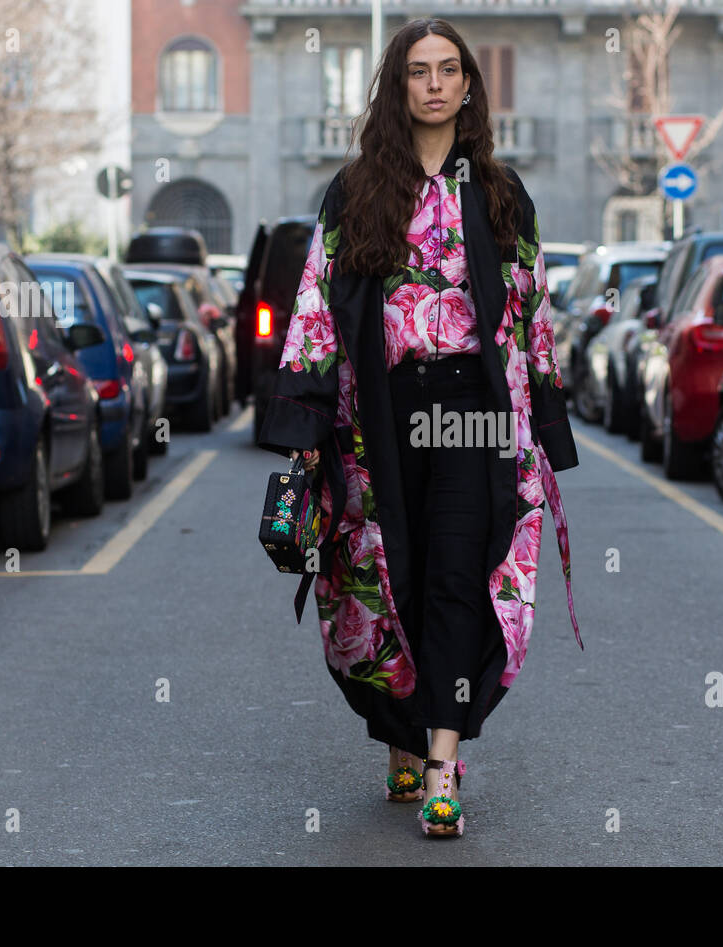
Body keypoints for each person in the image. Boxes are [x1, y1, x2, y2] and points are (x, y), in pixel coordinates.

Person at [256, 17, 582, 839]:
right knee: (381, 573)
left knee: (456, 576)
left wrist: (544, 421)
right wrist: (303, 425)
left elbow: (533, 313)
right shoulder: (358, 189)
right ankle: (401, 730)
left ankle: (442, 764)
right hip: (383, 415)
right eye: (417, 71)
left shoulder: (502, 194)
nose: (434, 83)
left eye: (448, 70)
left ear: (468, 86)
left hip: (474, 410)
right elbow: (316, 305)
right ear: (397, 89)